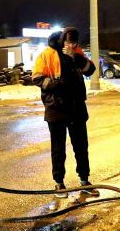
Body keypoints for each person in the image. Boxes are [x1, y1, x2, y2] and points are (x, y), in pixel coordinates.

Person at [32, 27, 98, 197]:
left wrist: (75, 57)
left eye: (74, 42)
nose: (71, 45)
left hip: (76, 107)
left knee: (81, 146)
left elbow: (91, 70)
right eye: (68, 42)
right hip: (56, 107)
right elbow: (37, 78)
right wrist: (55, 84)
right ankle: (59, 183)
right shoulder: (47, 53)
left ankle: (84, 180)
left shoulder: (76, 53)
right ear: (62, 40)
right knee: (58, 148)